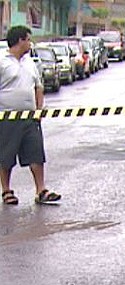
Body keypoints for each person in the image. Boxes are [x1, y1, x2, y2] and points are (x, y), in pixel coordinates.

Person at [0, 25, 61, 205]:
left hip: (30, 118)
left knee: (36, 154)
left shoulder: (30, 62)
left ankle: (41, 190)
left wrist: (39, 110)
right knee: (5, 155)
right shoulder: (2, 61)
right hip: (7, 118)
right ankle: (6, 190)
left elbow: (38, 87)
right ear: (20, 40)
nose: (30, 43)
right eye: (28, 39)